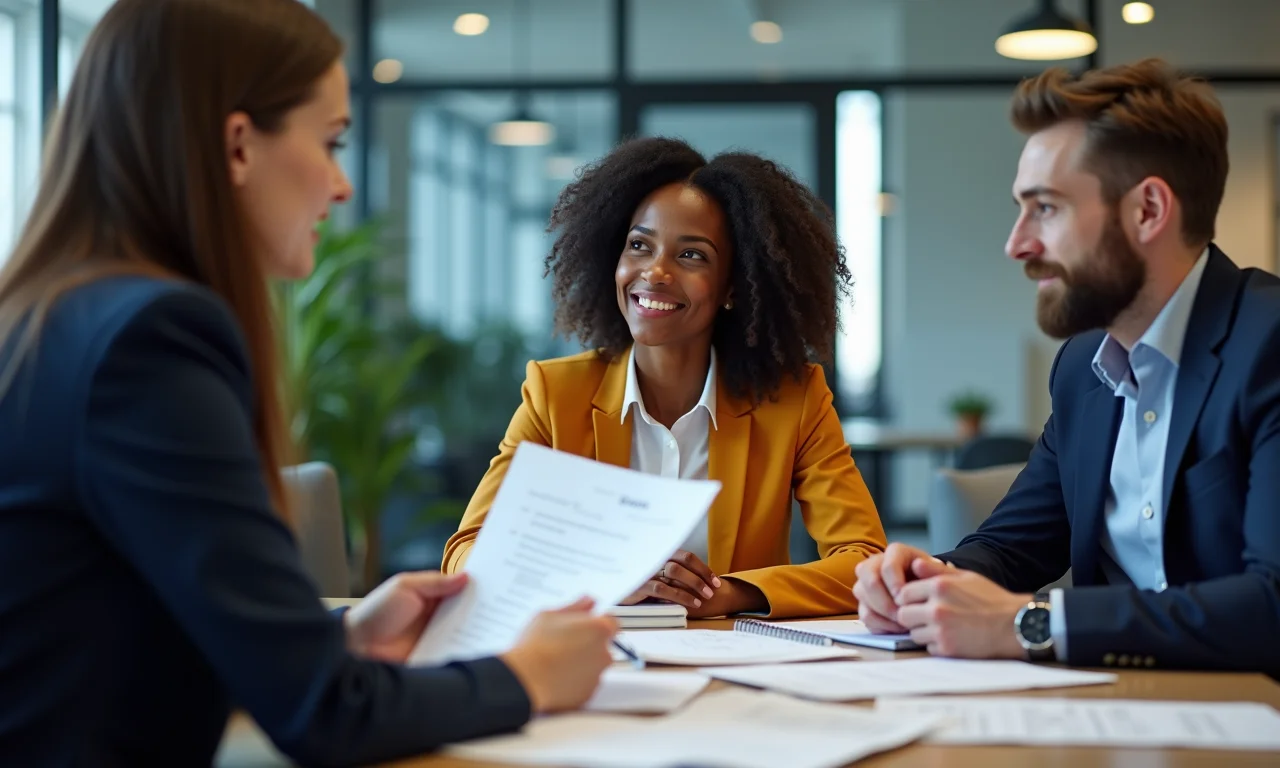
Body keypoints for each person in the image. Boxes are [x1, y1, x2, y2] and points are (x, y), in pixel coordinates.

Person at [0, 1, 616, 765]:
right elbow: (325, 717)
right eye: (330, 143)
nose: (341, 185)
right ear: (236, 147)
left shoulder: (53, 316)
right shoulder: (150, 339)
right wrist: (527, 676)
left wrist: (334, 639)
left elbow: (97, 648)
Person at [853, 58, 1280, 676]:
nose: (1017, 243)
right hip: (1105, 711)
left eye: (1045, 208)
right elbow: (1011, 546)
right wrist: (926, 583)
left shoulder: (1266, 345)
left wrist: (1028, 624)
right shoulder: (1084, 368)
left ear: (1147, 211)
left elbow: (1272, 605)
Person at [443, 137, 888, 619]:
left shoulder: (793, 401)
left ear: (733, 286)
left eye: (691, 255)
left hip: (735, 667)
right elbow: (467, 554)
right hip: (590, 660)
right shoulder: (556, 395)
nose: (654, 272)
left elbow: (865, 562)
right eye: (639, 245)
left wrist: (730, 594)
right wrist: (594, 581)